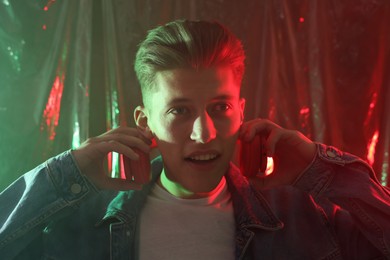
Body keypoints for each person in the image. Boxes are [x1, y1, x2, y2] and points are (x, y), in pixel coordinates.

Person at [0, 20, 389, 260]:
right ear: (144, 122)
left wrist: (319, 167)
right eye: (179, 111)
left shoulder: (305, 216)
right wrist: (66, 173)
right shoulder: (82, 222)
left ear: (241, 112)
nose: (204, 134)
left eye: (219, 108)